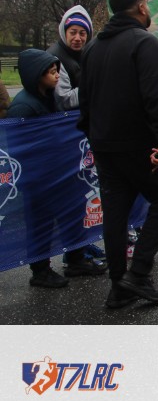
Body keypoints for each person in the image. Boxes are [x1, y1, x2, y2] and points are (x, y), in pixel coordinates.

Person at [78, 0, 158, 308]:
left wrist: (94, 135)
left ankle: (118, 288)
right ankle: (137, 273)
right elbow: (155, 96)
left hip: (104, 144)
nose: (148, 9)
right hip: (140, 143)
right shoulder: (145, 42)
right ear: (140, 7)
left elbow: (84, 100)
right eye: (146, 4)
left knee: (115, 214)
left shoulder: (93, 47)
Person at [8, 49, 107, 286]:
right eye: (51, 72)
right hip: (38, 178)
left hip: (59, 171)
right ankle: (40, 271)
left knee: (72, 214)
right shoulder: (23, 107)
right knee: (40, 224)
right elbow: (18, 148)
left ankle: (76, 258)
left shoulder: (49, 97)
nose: (56, 76)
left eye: (56, 71)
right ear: (37, 75)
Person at [47, 5, 93, 111]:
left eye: (82, 33)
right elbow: (64, 100)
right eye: (73, 32)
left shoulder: (86, 54)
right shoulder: (55, 58)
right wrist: (95, 87)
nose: (77, 38)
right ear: (65, 33)